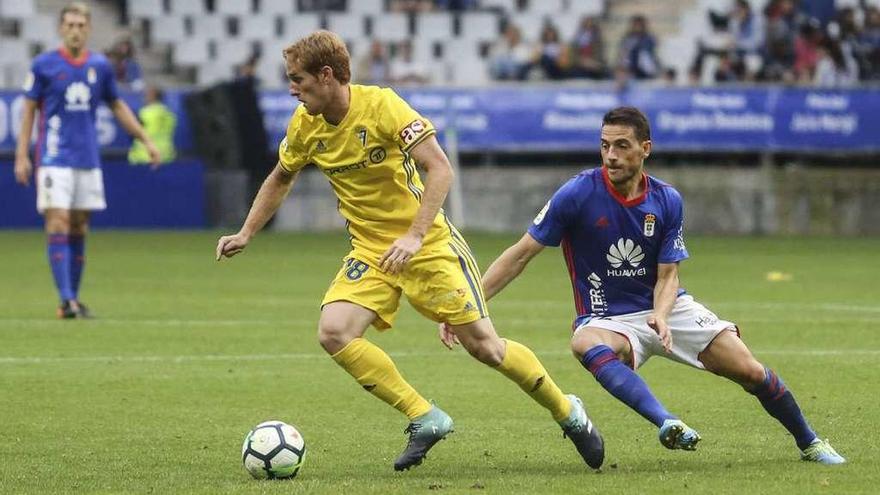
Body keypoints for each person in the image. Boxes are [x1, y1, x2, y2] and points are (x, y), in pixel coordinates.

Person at [215, 30, 604, 472]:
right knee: (334, 331)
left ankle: (567, 411)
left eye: (297, 79)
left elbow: (439, 168)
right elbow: (281, 176)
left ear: (326, 76)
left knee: (486, 348)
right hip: (371, 251)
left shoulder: (382, 106)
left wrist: (415, 235)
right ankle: (425, 415)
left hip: (428, 244)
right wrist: (247, 232)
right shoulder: (304, 125)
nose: (291, 89)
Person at [446, 106, 846, 466]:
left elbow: (669, 274)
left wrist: (660, 313)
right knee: (584, 343)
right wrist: (466, 306)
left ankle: (810, 442)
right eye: (605, 146)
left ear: (645, 149)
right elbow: (520, 254)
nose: (611, 155)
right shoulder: (577, 192)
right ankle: (666, 421)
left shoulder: (667, 200)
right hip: (605, 316)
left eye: (622, 145)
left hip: (666, 307)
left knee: (751, 371)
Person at [14, 2, 160, 319]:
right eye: (70, 25)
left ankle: (74, 299)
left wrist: (145, 138)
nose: (76, 30)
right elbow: (28, 110)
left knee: (79, 227)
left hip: (87, 159)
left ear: (89, 29)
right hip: (54, 158)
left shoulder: (100, 66)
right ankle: (65, 300)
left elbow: (117, 105)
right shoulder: (44, 65)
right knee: (58, 222)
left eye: (81, 25)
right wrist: (22, 154)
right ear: (60, 28)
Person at [128, 84, 176, 165]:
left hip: (145, 156)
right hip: (167, 156)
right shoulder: (169, 114)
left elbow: (133, 132)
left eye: (146, 94)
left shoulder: (145, 113)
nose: (144, 96)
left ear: (152, 96)